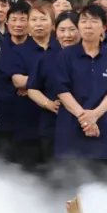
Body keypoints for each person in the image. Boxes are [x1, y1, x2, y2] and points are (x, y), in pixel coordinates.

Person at [52, 5, 107, 188]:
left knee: (101, 187)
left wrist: (95, 115)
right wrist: (85, 119)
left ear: (104, 27)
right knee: (70, 188)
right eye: (83, 21)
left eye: (94, 21)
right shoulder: (66, 56)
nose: (88, 25)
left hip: (102, 131)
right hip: (71, 131)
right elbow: (62, 90)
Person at [5, 1, 53, 170]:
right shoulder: (19, 51)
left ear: (52, 23)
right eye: (34, 20)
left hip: (56, 127)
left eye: (43, 19)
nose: (38, 24)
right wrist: (50, 85)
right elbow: (18, 80)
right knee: (28, 179)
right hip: (26, 126)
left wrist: (32, 85)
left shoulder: (61, 50)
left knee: (58, 179)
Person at [27, 11, 80, 162]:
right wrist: (48, 104)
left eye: (72, 29)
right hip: (53, 127)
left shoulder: (90, 57)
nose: (67, 35)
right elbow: (32, 88)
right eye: (62, 30)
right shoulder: (47, 57)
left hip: (83, 128)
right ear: (55, 32)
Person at [0, 1, 30, 160]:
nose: (18, 24)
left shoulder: (37, 47)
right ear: (7, 22)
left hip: (30, 120)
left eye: (23, 19)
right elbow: (17, 81)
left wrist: (30, 85)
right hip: (2, 117)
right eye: (14, 19)